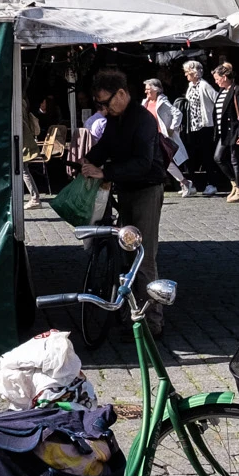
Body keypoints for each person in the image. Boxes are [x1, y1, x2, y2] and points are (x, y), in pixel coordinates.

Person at [76, 69, 167, 305]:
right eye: (100, 104)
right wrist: (88, 160)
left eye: (106, 103)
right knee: (127, 250)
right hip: (126, 188)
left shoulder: (144, 120)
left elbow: (143, 163)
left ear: (121, 94)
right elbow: (105, 145)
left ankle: (150, 318)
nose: (104, 109)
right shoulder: (115, 119)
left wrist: (105, 172)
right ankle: (128, 307)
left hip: (147, 189)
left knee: (142, 254)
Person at [179, 58, 223, 196]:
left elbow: (217, 99)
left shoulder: (204, 85)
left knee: (206, 155)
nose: (185, 74)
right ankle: (192, 184)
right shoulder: (191, 86)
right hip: (192, 127)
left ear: (194, 72)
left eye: (187, 72)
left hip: (205, 126)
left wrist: (214, 115)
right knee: (192, 155)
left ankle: (211, 184)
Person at [142, 79, 190, 197]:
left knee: (166, 163)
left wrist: (172, 128)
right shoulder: (145, 102)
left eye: (148, 89)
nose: (146, 92)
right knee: (157, 162)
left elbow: (178, 113)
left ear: (155, 90)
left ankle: (184, 182)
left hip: (161, 137)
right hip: (150, 137)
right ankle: (184, 182)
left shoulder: (163, 102)